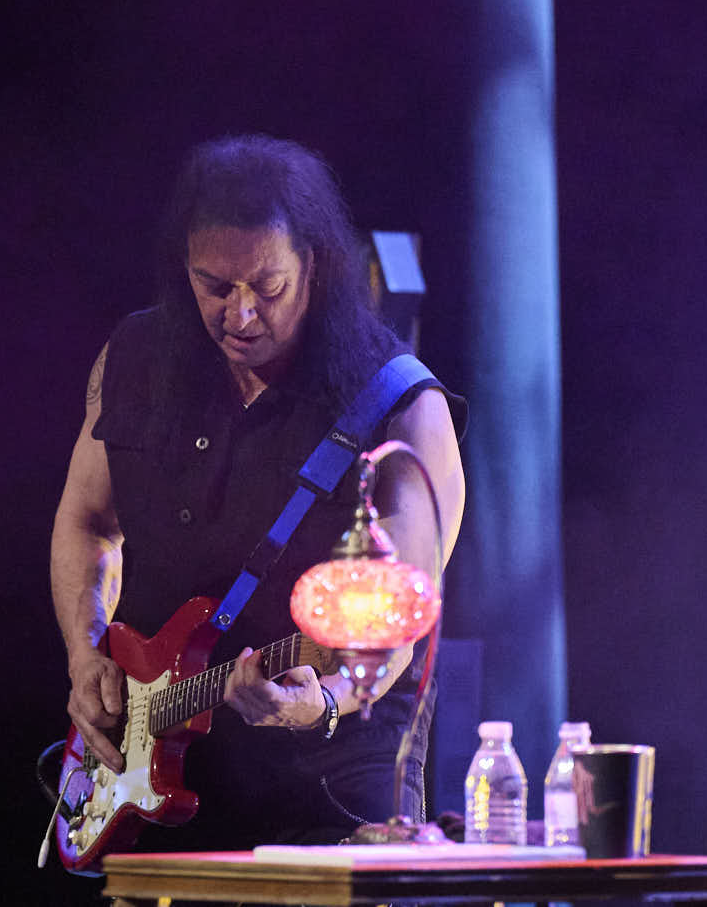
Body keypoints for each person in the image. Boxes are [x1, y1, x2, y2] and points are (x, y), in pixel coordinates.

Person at [51, 134, 466, 852]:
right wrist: (86, 653)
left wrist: (326, 702)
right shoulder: (134, 358)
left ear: (317, 266)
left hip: (329, 780)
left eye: (267, 287)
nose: (240, 315)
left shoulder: (399, 401)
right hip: (147, 767)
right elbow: (86, 520)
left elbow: (403, 619)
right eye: (214, 286)